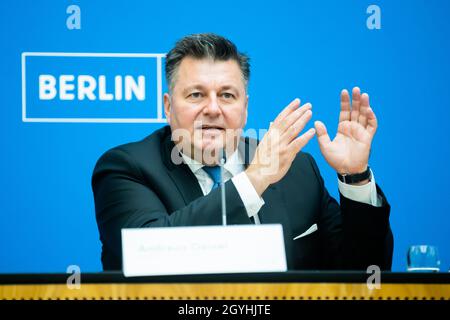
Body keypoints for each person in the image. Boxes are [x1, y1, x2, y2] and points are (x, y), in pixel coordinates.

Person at [92, 33, 393, 271]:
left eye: (227, 95)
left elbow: (364, 273)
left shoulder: (298, 170)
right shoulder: (125, 168)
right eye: (196, 95)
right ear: (168, 107)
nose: (212, 109)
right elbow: (149, 255)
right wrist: (254, 181)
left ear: (245, 108)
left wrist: (355, 178)